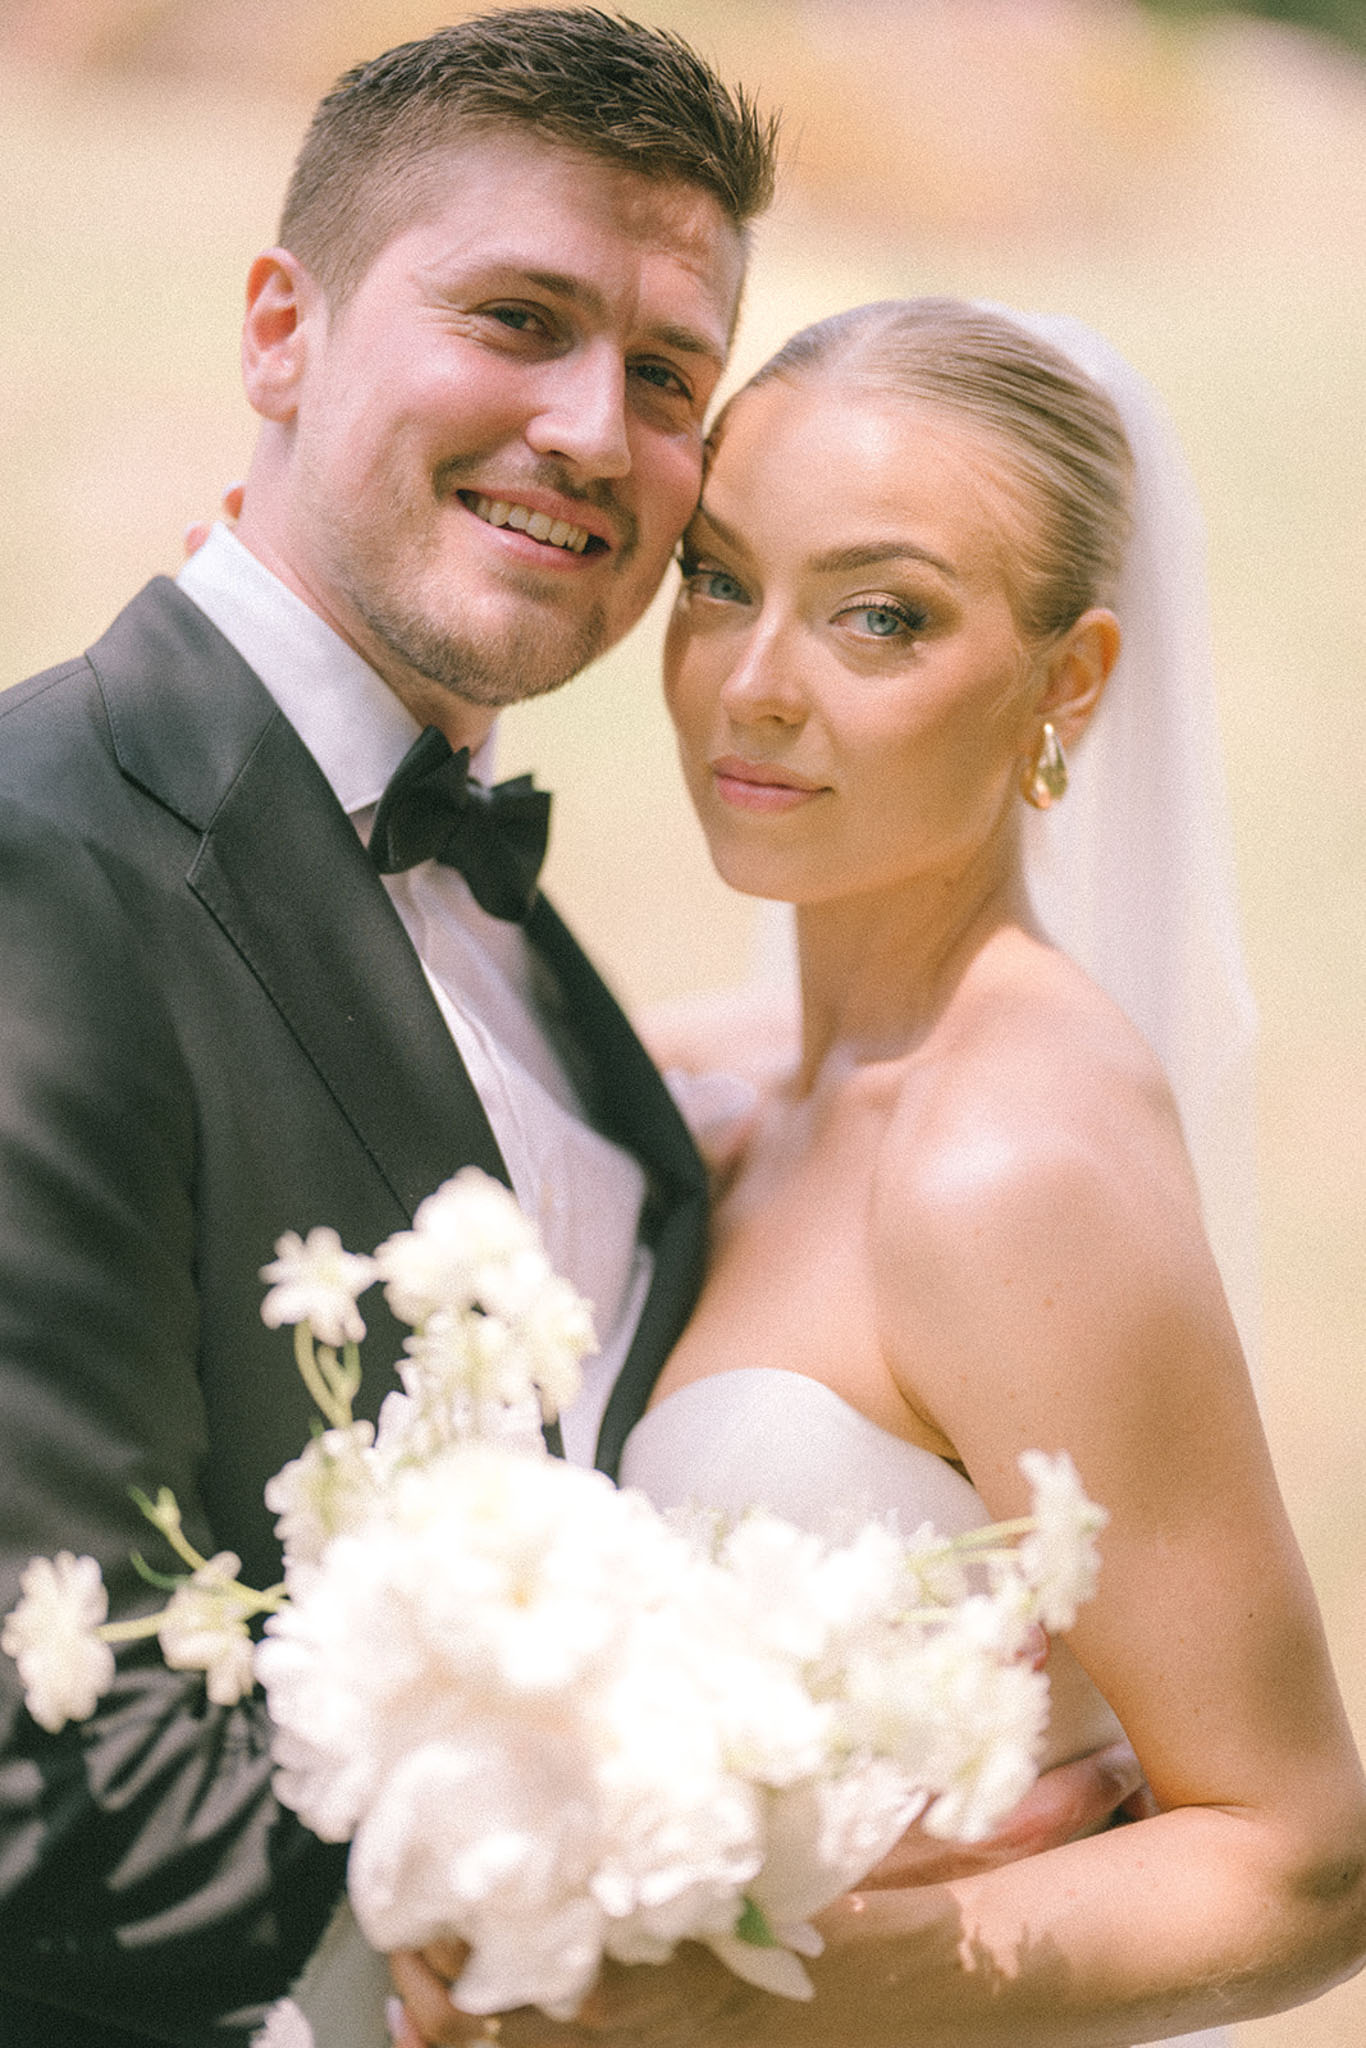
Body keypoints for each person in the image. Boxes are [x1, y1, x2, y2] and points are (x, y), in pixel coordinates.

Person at [0, 21, 1136, 2048]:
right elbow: (44, 1804)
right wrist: (723, 1925)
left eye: (665, 375)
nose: (593, 433)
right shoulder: (40, 871)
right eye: (514, 318)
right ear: (282, 329)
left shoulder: (568, 996)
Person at [615, 300, 1366, 2045]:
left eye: (880, 617)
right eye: (720, 579)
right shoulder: (708, 1083)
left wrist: (724, 1989)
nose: (752, 683)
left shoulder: (1004, 1161)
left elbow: (1302, 1853)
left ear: (1069, 681)